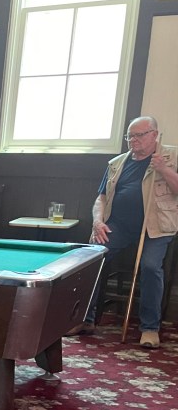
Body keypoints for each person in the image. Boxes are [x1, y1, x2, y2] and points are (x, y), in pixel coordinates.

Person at [67, 116, 178, 349]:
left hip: (155, 227)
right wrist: (97, 221)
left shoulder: (171, 156)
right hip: (118, 225)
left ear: (154, 135)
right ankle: (85, 319)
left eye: (139, 135)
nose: (133, 140)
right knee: (92, 257)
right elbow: (101, 198)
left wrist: (164, 169)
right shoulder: (116, 163)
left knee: (149, 266)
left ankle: (150, 328)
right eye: (130, 136)